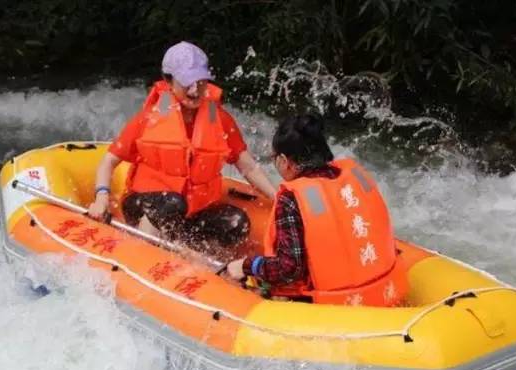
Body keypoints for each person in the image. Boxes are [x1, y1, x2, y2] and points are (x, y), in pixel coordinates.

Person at [88, 41, 276, 247]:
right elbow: (108, 161)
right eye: (188, 82)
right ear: (168, 81)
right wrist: (102, 197)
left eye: (201, 82)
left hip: (192, 212)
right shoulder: (148, 118)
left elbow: (248, 167)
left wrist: (279, 199)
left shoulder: (219, 119)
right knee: (172, 203)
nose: (195, 90)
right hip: (148, 205)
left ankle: (194, 257)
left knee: (236, 222)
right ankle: (142, 247)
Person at [227, 114, 408, 306]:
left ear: (283, 160)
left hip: (330, 305)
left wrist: (246, 265)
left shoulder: (291, 199)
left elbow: (289, 269)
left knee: (234, 278)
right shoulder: (354, 177)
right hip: (386, 289)